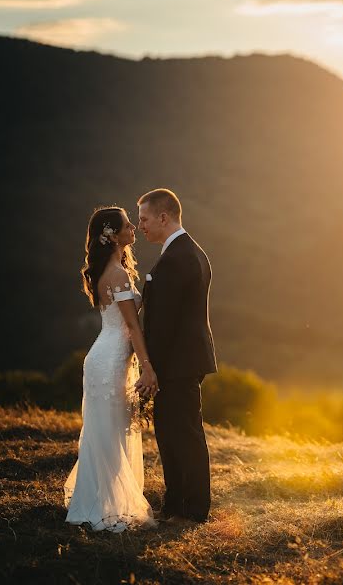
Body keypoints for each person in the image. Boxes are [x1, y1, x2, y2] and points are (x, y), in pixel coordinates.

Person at [64, 206, 157, 532]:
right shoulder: (117, 274)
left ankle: (102, 500)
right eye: (127, 224)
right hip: (111, 359)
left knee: (108, 430)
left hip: (104, 355)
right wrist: (147, 368)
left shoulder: (112, 269)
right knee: (109, 431)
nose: (134, 226)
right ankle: (108, 505)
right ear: (112, 234)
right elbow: (132, 328)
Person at [136, 188, 217, 523]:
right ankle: (182, 505)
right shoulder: (193, 251)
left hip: (175, 364)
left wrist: (150, 367)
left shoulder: (175, 259)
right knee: (183, 433)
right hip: (187, 359)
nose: (141, 226)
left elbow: (163, 324)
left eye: (144, 218)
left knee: (177, 435)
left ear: (163, 217)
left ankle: (188, 510)